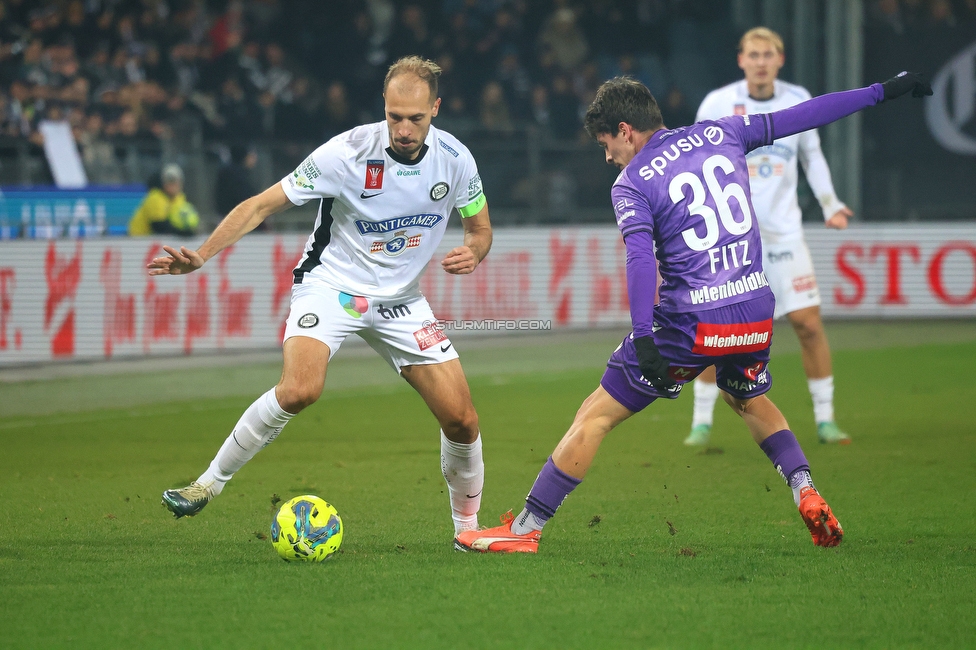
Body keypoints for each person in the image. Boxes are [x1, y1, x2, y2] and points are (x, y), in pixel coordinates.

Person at [455, 72, 931, 553]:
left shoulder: (632, 183)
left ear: (626, 130)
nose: (607, 157)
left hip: (688, 325)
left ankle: (525, 530)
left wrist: (644, 336)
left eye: (606, 144)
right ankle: (804, 488)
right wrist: (882, 91)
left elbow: (640, 260)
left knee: (593, 416)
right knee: (745, 396)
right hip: (753, 311)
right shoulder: (725, 132)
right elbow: (804, 116)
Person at [151, 56, 493, 541]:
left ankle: (467, 531)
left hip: (402, 302)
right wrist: (204, 254)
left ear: (435, 108)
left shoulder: (456, 160)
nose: (403, 128)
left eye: (415, 118)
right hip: (331, 287)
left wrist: (475, 252)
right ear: (384, 107)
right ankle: (207, 484)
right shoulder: (346, 153)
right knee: (299, 390)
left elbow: (479, 228)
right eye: (394, 116)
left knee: (462, 419)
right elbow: (261, 205)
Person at [686, 27, 853, 447]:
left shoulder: (798, 100)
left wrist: (830, 204)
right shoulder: (717, 104)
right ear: (741, 60)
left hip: (784, 235)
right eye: (753, 54)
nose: (761, 62)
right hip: (729, 240)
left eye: (768, 55)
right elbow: (694, 163)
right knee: (712, 330)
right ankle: (701, 421)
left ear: (780, 60)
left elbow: (812, 157)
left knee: (807, 324)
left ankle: (826, 419)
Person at [128, 163, 200, 237]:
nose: (173, 185)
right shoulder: (155, 197)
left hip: (158, 240)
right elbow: (158, 225)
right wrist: (181, 233)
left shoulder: (179, 198)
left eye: (175, 181)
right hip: (139, 239)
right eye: (170, 181)